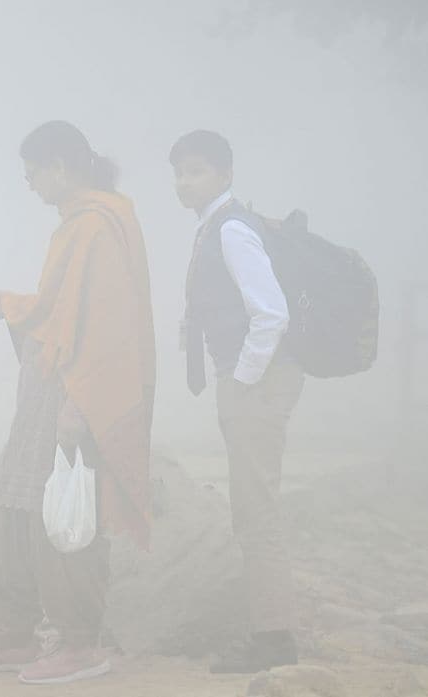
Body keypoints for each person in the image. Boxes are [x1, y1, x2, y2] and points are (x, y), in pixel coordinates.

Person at [0, 120, 156, 685]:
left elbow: (108, 328)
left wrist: (78, 405)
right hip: (47, 386)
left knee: (65, 512)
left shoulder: (97, 226)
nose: (29, 184)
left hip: (76, 392)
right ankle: (14, 636)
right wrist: (9, 306)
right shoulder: (77, 226)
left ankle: (78, 643)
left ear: (61, 165)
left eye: (32, 172)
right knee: (7, 501)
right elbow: (61, 309)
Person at [170, 129, 303, 673]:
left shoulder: (230, 230)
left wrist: (243, 377)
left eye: (196, 170)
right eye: (179, 172)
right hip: (250, 378)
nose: (184, 181)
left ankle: (272, 641)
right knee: (253, 506)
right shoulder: (217, 226)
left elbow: (271, 312)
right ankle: (269, 631)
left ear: (225, 175)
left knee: (256, 510)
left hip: (256, 379)